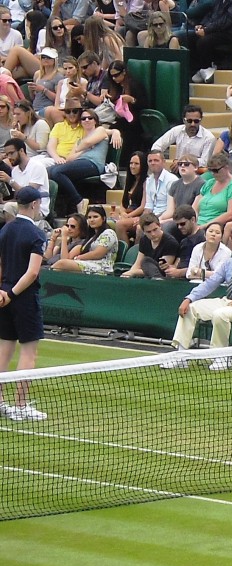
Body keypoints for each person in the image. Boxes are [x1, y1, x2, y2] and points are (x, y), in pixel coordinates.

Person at [164, 225, 232, 370]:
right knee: (190, 308)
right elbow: (210, 283)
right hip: (227, 302)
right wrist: (189, 298)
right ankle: (181, 355)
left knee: (220, 314)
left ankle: (221, 357)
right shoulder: (228, 263)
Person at [0, 187, 46, 422]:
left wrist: (3, 293)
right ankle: (20, 405)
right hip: (24, 299)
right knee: (29, 352)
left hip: (4, 297)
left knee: (4, 351)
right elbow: (32, 273)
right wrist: (13, 294)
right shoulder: (36, 235)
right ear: (35, 204)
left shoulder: (6, 230)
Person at [51, 206, 118, 275]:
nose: (92, 220)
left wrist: (78, 257)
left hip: (102, 267)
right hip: (89, 263)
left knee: (62, 263)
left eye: (95, 217)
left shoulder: (108, 233)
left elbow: (98, 254)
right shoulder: (92, 236)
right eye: (89, 217)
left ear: (103, 218)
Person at [151, 104, 216, 167]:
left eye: (196, 121)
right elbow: (157, 146)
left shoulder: (209, 138)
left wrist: (182, 162)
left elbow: (205, 162)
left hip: (198, 172)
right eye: (189, 121)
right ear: (184, 120)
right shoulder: (177, 130)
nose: (193, 124)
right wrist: (160, 159)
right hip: (178, 169)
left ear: (201, 120)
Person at [0, 139, 50, 220]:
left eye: (11, 153)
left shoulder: (37, 167)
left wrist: (10, 180)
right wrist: (3, 202)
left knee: (9, 207)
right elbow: (17, 199)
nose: (9, 157)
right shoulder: (15, 171)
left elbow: (29, 195)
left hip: (36, 208)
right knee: (7, 206)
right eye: (7, 154)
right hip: (19, 206)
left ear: (21, 151)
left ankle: (12, 232)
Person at [192, 152, 232, 228]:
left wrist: (205, 226)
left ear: (226, 167)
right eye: (210, 170)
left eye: (216, 170)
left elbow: (231, 214)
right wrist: (193, 223)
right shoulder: (209, 183)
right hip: (197, 224)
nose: (213, 173)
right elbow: (195, 207)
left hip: (215, 227)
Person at [123, 212, 179, 278]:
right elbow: (137, 264)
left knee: (146, 261)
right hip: (146, 275)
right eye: (148, 232)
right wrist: (128, 274)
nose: (153, 234)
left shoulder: (170, 242)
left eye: (155, 230)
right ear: (144, 232)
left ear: (160, 226)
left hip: (161, 278)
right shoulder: (144, 240)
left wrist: (134, 272)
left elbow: (161, 270)